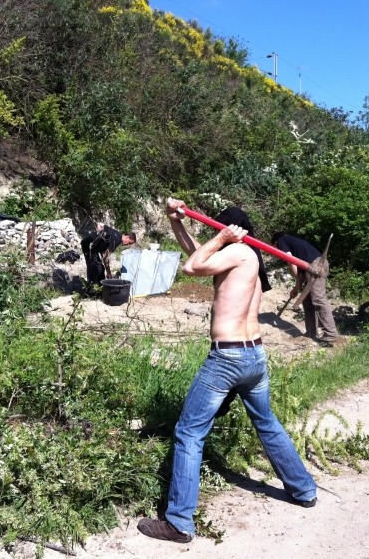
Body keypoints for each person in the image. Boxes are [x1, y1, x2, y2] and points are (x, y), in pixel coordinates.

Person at [137, 199, 317, 544]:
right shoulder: (248, 257)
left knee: (189, 432)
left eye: (220, 229)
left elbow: (191, 267)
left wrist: (220, 239)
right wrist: (176, 221)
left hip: (228, 358)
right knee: (267, 423)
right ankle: (303, 489)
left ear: (234, 231)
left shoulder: (239, 253)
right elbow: (198, 254)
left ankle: (178, 523)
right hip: (254, 357)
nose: (215, 234)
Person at [270, 232, 342, 347]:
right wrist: (296, 288)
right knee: (307, 300)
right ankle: (311, 333)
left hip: (316, 266)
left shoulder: (282, 241)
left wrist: (295, 279)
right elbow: (301, 273)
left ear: (275, 242)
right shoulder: (299, 249)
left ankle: (331, 334)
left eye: (274, 247)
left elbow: (290, 259)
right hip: (314, 266)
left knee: (318, 299)